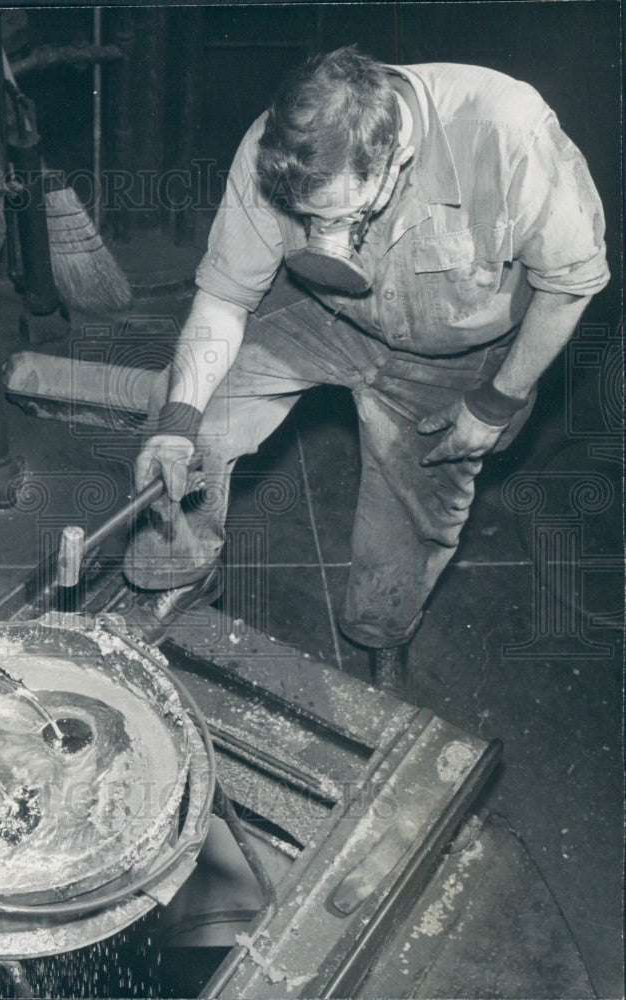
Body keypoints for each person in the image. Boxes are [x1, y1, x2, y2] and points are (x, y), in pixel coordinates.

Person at [124, 46, 609, 690]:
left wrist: (497, 402)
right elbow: (223, 298)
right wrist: (177, 421)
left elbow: (572, 281)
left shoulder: (507, 133)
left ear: (395, 162)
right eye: (308, 220)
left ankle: (383, 648)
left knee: (408, 530)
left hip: (454, 358)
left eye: (341, 216)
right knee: (196, 421)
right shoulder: (276, 149)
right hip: (323, 317)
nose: (323, 235)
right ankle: (177, 579)